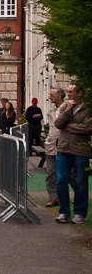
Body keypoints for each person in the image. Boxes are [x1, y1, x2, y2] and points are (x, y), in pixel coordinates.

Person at [54, 84, 92, 224]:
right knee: (61, 181)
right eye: (68, 91)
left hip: (80, 150)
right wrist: (68, 110)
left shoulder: (88, 109)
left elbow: (87, 128)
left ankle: (80, 212)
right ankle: (64, 212)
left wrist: (68, 126)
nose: (68, 94)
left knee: (81, 182)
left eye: (71, 92)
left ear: (80, 93)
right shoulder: (65, 107)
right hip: (63, 148)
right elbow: (58, 124)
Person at [44, 87, 76, 208]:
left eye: (52, 95)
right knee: (51, 173)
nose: (49, 97)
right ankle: (53, 197)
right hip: (51, 144)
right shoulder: (51, 110)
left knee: (71, 173)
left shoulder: (69, 108)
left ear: (59, 96)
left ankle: (77, 194)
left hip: (65, 144)